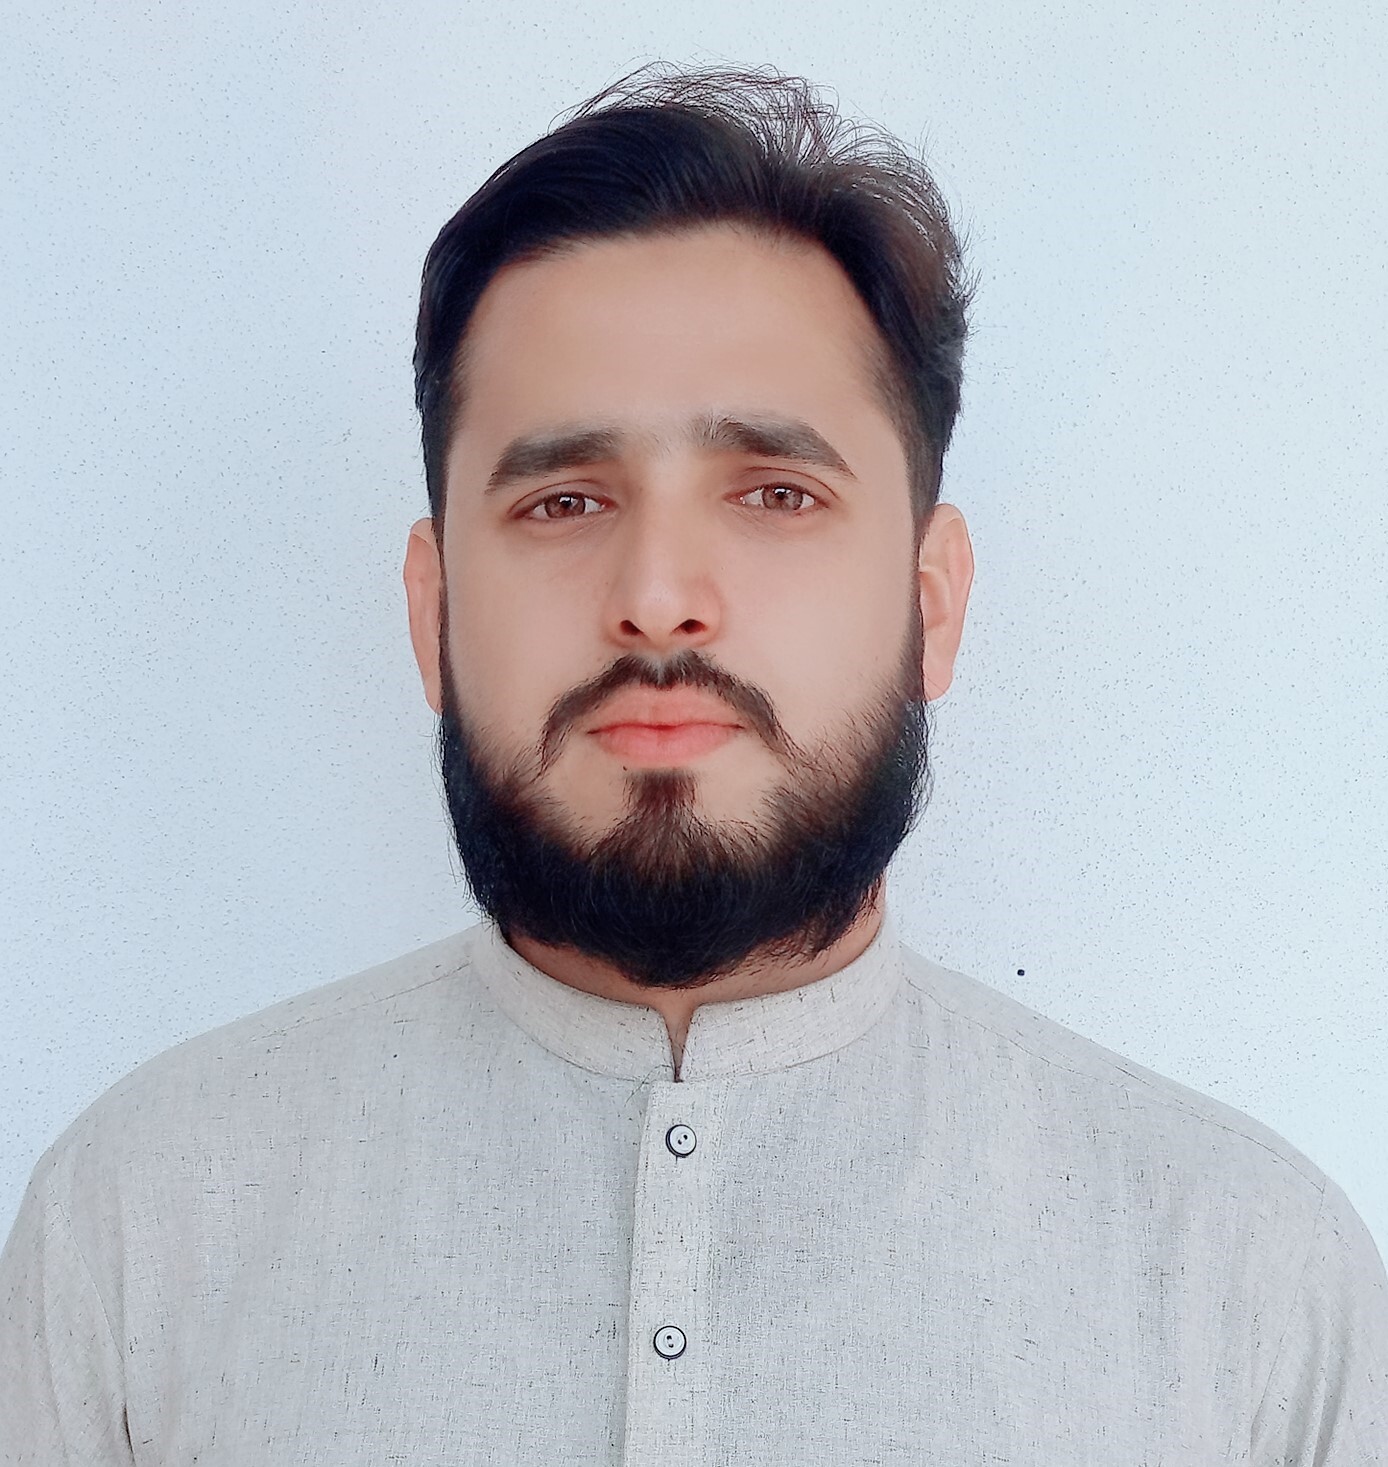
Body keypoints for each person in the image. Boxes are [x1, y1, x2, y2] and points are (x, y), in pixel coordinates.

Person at [2, 60, 1383, 1464]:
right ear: (433, 614)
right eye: (564, 501)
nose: (658, 598)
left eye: (776, 493)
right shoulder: (137, 1233)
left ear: (931, 604)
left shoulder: (1250, 1291)